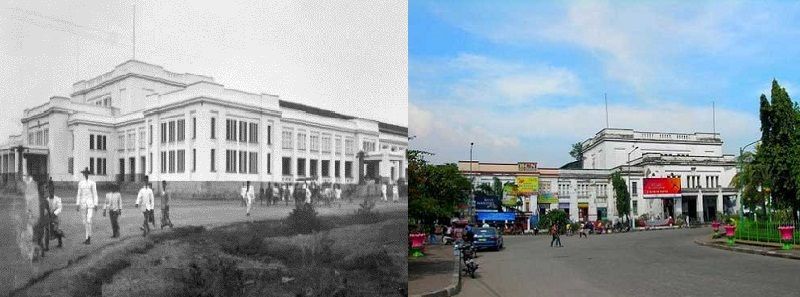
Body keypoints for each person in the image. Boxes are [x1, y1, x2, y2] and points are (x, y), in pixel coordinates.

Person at [76, 167, 98, 245]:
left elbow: (95, 194)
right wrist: (77, 204)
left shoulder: (92, 183)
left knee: (89, 220)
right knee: (85, 222)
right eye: (84, 173)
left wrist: (96, 204)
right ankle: (87, 237)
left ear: (88, 174)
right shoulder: (80, 183)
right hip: (83, 204)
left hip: (90, 204)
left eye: (86, 173)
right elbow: (79, 194)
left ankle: (89, 237)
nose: (85, 175)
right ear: (83, 174)